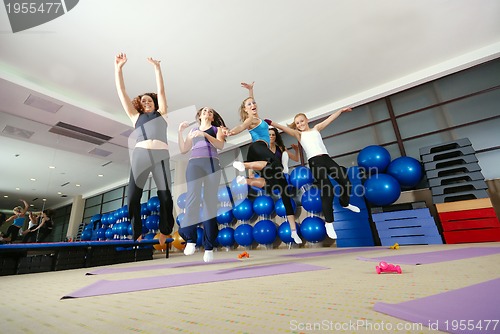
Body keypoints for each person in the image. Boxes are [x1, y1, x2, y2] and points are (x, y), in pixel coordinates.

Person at [267, 108, 361, 240]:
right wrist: (272, 123)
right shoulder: (299, 135)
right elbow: (285, 128)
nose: (300, 124)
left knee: (345, 181)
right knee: (328, 189)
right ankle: (329, 222)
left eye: (301, 121)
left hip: (327, 159)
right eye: (297, 123)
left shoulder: (316, 128)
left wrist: (341, 110)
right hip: (315, 162)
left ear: (307, 120)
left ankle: (345, 203)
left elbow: (329, 119)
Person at [228, 82, 302, 244]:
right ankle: (244, 166)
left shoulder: (257, 117)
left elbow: (251, 103)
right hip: (256, 148)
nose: (253, 105)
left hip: (263, 158)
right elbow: (242, 126)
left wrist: (251, 91)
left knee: (283, 191)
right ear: (245, 110)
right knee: (274, 163)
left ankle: (293, 230)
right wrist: (232, 132)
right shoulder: (250, 119)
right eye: (249, 104)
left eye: (254, 103)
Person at [115, 53, 174, 244]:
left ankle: (165, 230)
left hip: (161, 156)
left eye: (150, 100)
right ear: (139, 105)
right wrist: (119, 69)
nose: (147, 102)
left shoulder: (162, 114)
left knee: (165, 195)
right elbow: (122, 91)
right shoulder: (135, 117)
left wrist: (157, 68)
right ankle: (136, 231)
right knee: (133, 195)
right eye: (143, 101)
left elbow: (162, 90)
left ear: (155, 103)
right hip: (141, 155)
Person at [177, 107, 227, 262]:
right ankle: (190, 239)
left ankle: (209, 246)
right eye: (204, 111)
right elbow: (184, 149)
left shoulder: (216, 129)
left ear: (212, 117)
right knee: (192, 198)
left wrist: (204, 134)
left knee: (209, 204)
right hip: (194, 165)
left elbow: (220, 145)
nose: (207, 112)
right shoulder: (193, 130)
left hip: (212, 164)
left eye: (210, 111)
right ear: (199, 116)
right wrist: (180, 132)